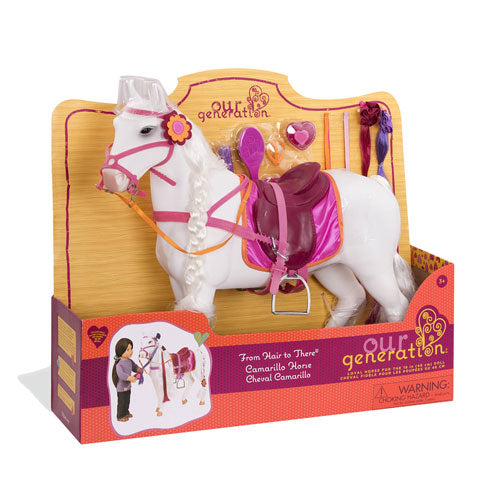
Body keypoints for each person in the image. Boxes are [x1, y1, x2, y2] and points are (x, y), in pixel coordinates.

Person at [111, 338, 140, 422]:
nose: (131, 351)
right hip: (121, 388)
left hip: (128, 386)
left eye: (131, 349)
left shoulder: (129, 361)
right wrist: (130, 378)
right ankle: (120, 416)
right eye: (128, 350)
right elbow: (121, 374)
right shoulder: (119, 364)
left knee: (127, 401)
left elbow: (134, 367)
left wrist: (139, 369)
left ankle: (126, 412)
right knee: (122, 402)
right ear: (121, 351)